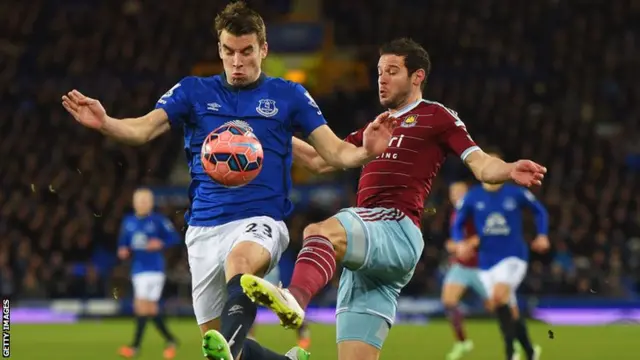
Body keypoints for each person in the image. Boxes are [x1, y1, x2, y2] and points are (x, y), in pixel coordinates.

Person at [61, 2, 394, 359]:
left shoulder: (288, 96)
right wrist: (106, 122)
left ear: (263, 49)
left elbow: (332, 153)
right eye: (229, 52)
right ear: (219, 49)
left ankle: (230, 349)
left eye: (247, 51)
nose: (237, 62)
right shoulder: (193, 92)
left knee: (241, 268)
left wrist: (364, 152)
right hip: (203, 228)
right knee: (221, 342)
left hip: (261, 220)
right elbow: (144, 128)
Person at [238, 37, 547, 360]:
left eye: (392, 71)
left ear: (417, 77)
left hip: (395, 229)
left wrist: (509, 169)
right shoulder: (376, 128)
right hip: (369, 255)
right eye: (379, 72)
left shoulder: (436, 116)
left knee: (320, 232)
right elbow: (320, 160)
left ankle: (295, 298)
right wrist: (273, 134)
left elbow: (481, 164)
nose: (382, 79)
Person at [453, 152, 549, 360]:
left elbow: (539, 211)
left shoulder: (515, 193)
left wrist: (542, 235)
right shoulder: (473, 196)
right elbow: (458, 222)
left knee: (498, 297)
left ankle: (510, 352)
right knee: (505, 307)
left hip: (513, 256)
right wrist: (460, 243)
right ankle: (531, 351)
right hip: (486, 262)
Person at [116, 188, 180, 359]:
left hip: (155, 269)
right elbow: (123, 243)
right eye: (140, 200)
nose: (143, 203)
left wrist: (160, 243)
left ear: (151, 203)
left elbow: (174, 238)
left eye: (146, 200)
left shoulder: (158, 220)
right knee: (149, 309)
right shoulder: (128, 222)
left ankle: (135, 347)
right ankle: (170, 340)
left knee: (142, 307)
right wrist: (123, 250)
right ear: (134, 202)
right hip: (138, 269)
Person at [442, 181, 486, 360]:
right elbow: (454, 241)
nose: (455, 196)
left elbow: (486, 233)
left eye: (459, 192)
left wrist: (467, 245)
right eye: (453, 193)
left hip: (482, 266)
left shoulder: (476, 210)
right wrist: (453, 246)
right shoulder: (455, 214)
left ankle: (518, 341)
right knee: (448, 302)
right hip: (461, 266)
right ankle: (462, 343)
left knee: (500, 306)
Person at [249, 266, 312, 350]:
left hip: (267, 269)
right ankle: (250, 337)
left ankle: (302, 328)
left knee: (284, 303)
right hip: (255, 270)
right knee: (248, 302)